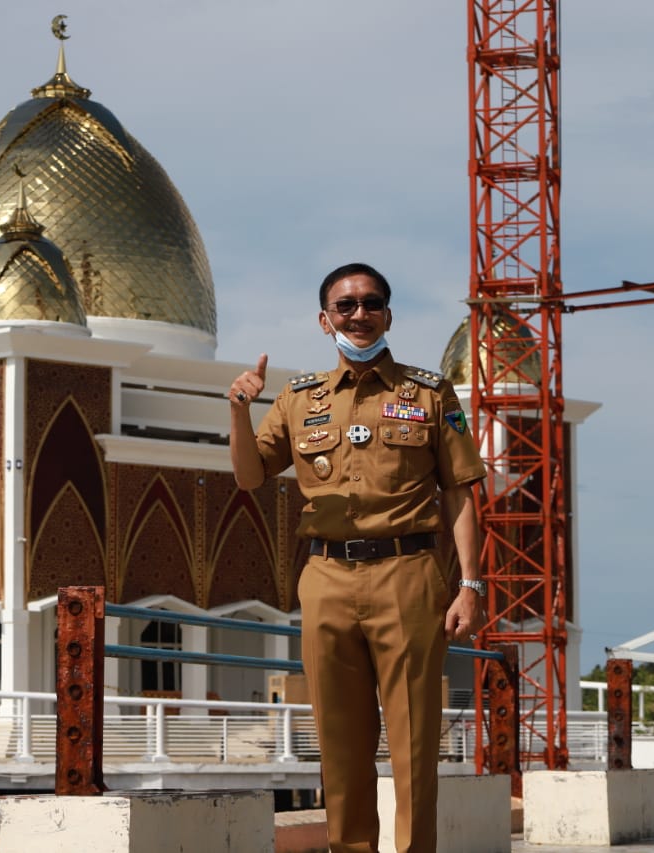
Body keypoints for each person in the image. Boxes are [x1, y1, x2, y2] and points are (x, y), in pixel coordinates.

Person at [227, 262, 487, 853]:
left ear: (388, 315)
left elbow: (459, 492)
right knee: (340, 742)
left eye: (371, 303)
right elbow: (248, 477)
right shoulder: (297, 400)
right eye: (345, 306)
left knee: (414, 741)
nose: (359, 315)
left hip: (409, 574)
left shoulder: (428, 393)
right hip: (326, 578)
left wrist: (469, 585)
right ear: (325, 320)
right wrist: (240, 409)